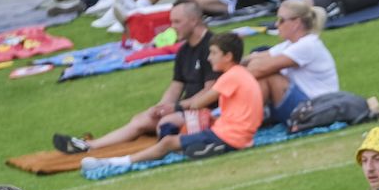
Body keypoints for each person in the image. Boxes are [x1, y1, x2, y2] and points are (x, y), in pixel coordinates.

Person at [81, 32, 264, 172]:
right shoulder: (240, 73)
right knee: (187, 134)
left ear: (228, 56)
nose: (209, 58)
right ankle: (204, 146)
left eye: (214, 53)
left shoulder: (229, 77)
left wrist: (173, 108)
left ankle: (115, 163)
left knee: (168, 142)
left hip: (231, 136)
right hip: (242, 135)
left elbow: (198, 104)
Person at [53, 1, 214, 155]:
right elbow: (175, 87)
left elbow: (211, 92)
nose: (172, 27)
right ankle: (88, 146)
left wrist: (177, 107)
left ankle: (170, 146)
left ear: (193, 21)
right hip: (186, 109)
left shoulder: (212, 48)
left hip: (208, 110)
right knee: (141, 119)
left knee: (166, 122)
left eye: (177, 22)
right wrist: (160, 107)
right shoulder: (184, 51)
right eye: (171, 21)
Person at [246, 0, 338, 126]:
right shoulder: (290, 44)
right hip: (306, 103)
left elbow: (258, 69)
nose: (277, 24)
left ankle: (240, 122)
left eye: (281, 20)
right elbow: (253, 59)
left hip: (317, 108)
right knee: (261, 68)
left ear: (296, 23)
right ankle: (240, 119)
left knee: (271, 76)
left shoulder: (308, 45)